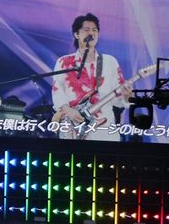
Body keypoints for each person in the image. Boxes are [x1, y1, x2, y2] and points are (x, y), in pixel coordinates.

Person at [48, 13, 141, 142]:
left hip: (104, 129)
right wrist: (68, 110)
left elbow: (119, 99)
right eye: (86, 30)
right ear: (76, 34)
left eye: (94, 30)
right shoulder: (64, 62)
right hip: (72, 127)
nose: (91, 33)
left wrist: (126, 96)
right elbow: (57, 91)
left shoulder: (110, 62)